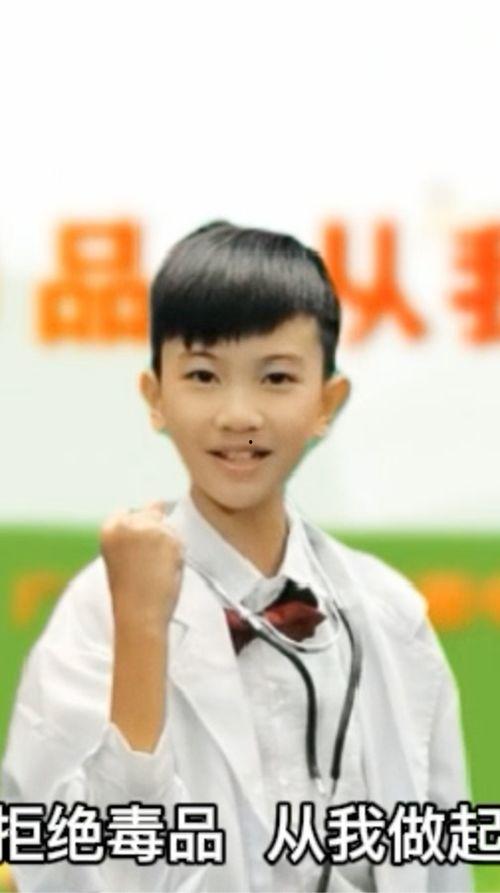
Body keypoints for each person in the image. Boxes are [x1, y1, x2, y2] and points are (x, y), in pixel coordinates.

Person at [2, 220, 472, 892]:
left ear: (326, 402)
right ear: (156, 397)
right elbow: (56, 867)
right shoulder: (99, 612)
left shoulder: (391, 615)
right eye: (203, 375)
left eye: (276, 377)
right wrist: (141, 628)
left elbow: (440, 857)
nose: (238, 414)